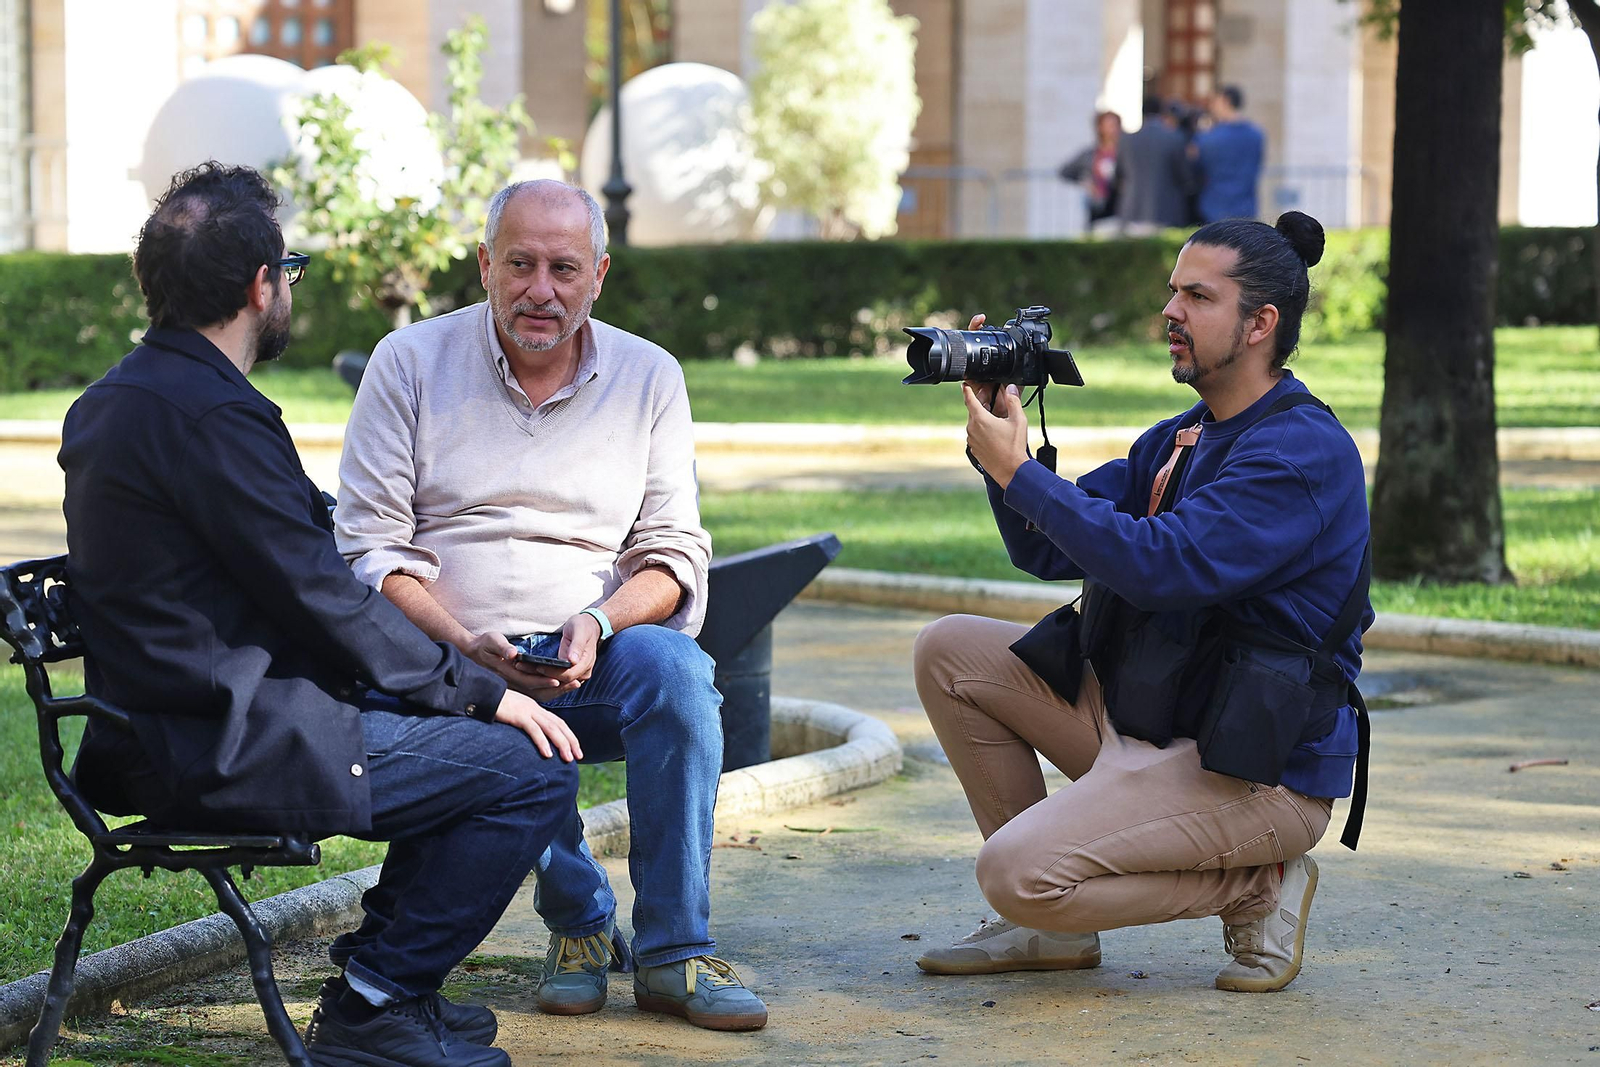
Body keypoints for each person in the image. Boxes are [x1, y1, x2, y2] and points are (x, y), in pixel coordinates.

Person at [58, 162, 583, 1067]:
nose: (289, 287)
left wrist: (439, 673)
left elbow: (307, 566)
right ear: (263, 287)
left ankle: (394, 988)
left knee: (455, 731)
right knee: (526, 768)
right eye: (289, 271)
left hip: (172, 722)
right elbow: (322, 592)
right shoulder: (208, 418)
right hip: (222, 740)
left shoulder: (124, 397)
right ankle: (376, 1001)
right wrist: (477, 690)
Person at [334, 179, 768, 1032]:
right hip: (448, 655)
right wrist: (465, 643)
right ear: (485, 265)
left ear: (598, 274)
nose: (542, 290)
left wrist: (598, 622)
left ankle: (674, 952)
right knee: (497, 713)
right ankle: (578, 920)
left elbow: (676, 552)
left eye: (564, 268)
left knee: (679, 675)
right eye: (522, 264)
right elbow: (370, 549)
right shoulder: (410, 362)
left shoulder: (649, 375)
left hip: (596, 648)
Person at [912, 211, 1371, 993]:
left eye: (1197, 296)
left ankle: (1258, 884)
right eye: (1173, 293)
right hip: (1154, 722)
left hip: (1256, 770)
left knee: (1016, 870)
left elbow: (1166, 567)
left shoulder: (1301, 455)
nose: (1170, 312)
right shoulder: (1182, 436)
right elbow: (1049, 547)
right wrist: (999, 453)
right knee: (950, 650)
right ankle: (1048, 929)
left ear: (1261, 323)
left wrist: (1022, 473)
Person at [1114, 95, 1193, 234]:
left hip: (1132, 210)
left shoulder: (1126, 140)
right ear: (1162, 113)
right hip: (1166, 211)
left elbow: (1118, 176)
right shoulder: (1175, 138)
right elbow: (1185, 177)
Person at [1194, 85, 1266, 223]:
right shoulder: (1256, 134)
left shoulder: (1210, 137)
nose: (1211, 107)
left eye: (1214, 102)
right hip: (1246, 207)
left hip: (1214, 206)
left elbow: (1196, 163)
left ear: (1225, 101)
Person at [1058, 111, 1122, 226]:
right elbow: (1064, 171)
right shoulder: (1091, 154)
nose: (1113, 130)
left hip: (1120, 205)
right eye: (1109, 125)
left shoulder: (1125, 153)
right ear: (1100, 128)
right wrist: (1086, 183)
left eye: (1115, 125)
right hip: (1098, 206)